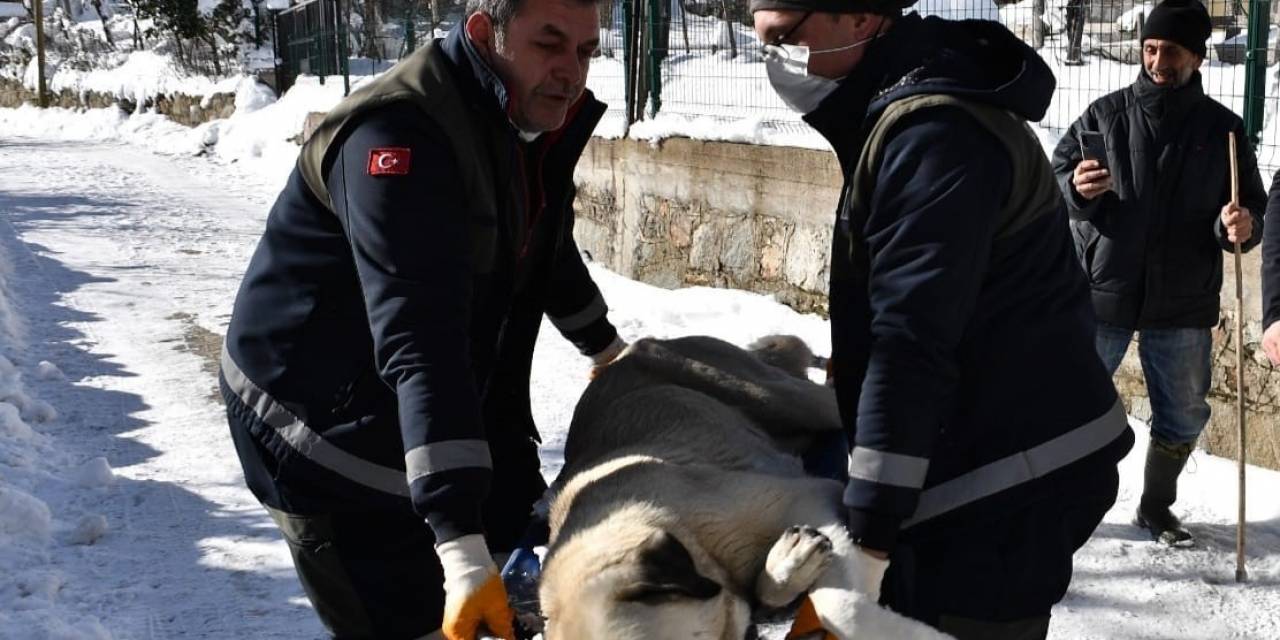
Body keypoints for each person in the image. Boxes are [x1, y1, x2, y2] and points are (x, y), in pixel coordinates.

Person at [218, 0, 625, 637]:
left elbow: (536, 243)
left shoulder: (513, 117)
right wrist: (461, 549)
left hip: (415, 403)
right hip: (321, 430)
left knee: (511, 552)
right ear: (487, 32)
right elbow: (421, 337)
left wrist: (607, 350)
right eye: (550, 44)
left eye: (585, 51)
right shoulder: (399, 134)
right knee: (410, 617)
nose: (571, 71)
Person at [749, 1, 1133, 638]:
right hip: (971, 465)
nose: (776, 60)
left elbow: (911, 338)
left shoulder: (934, 134)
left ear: (861, 18)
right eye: (764, 42)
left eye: (787, 37)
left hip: (1004, 486)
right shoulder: (903, 112)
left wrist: (868, 541)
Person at [1052, 0, 1264, 549]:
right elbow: (1051, 181)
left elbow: (1249, 209)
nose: (1156, 60)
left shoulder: (1225, 131)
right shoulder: (1102, 115)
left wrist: (1238, 225)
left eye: (1170, 50)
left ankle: (1155, 506)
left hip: (1184, 298)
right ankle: (1059, 504)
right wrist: (1075, 189)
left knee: (1185, 412)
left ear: (1196, 56)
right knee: (1069, 400)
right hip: (1103, 291)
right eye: (1149, 48)